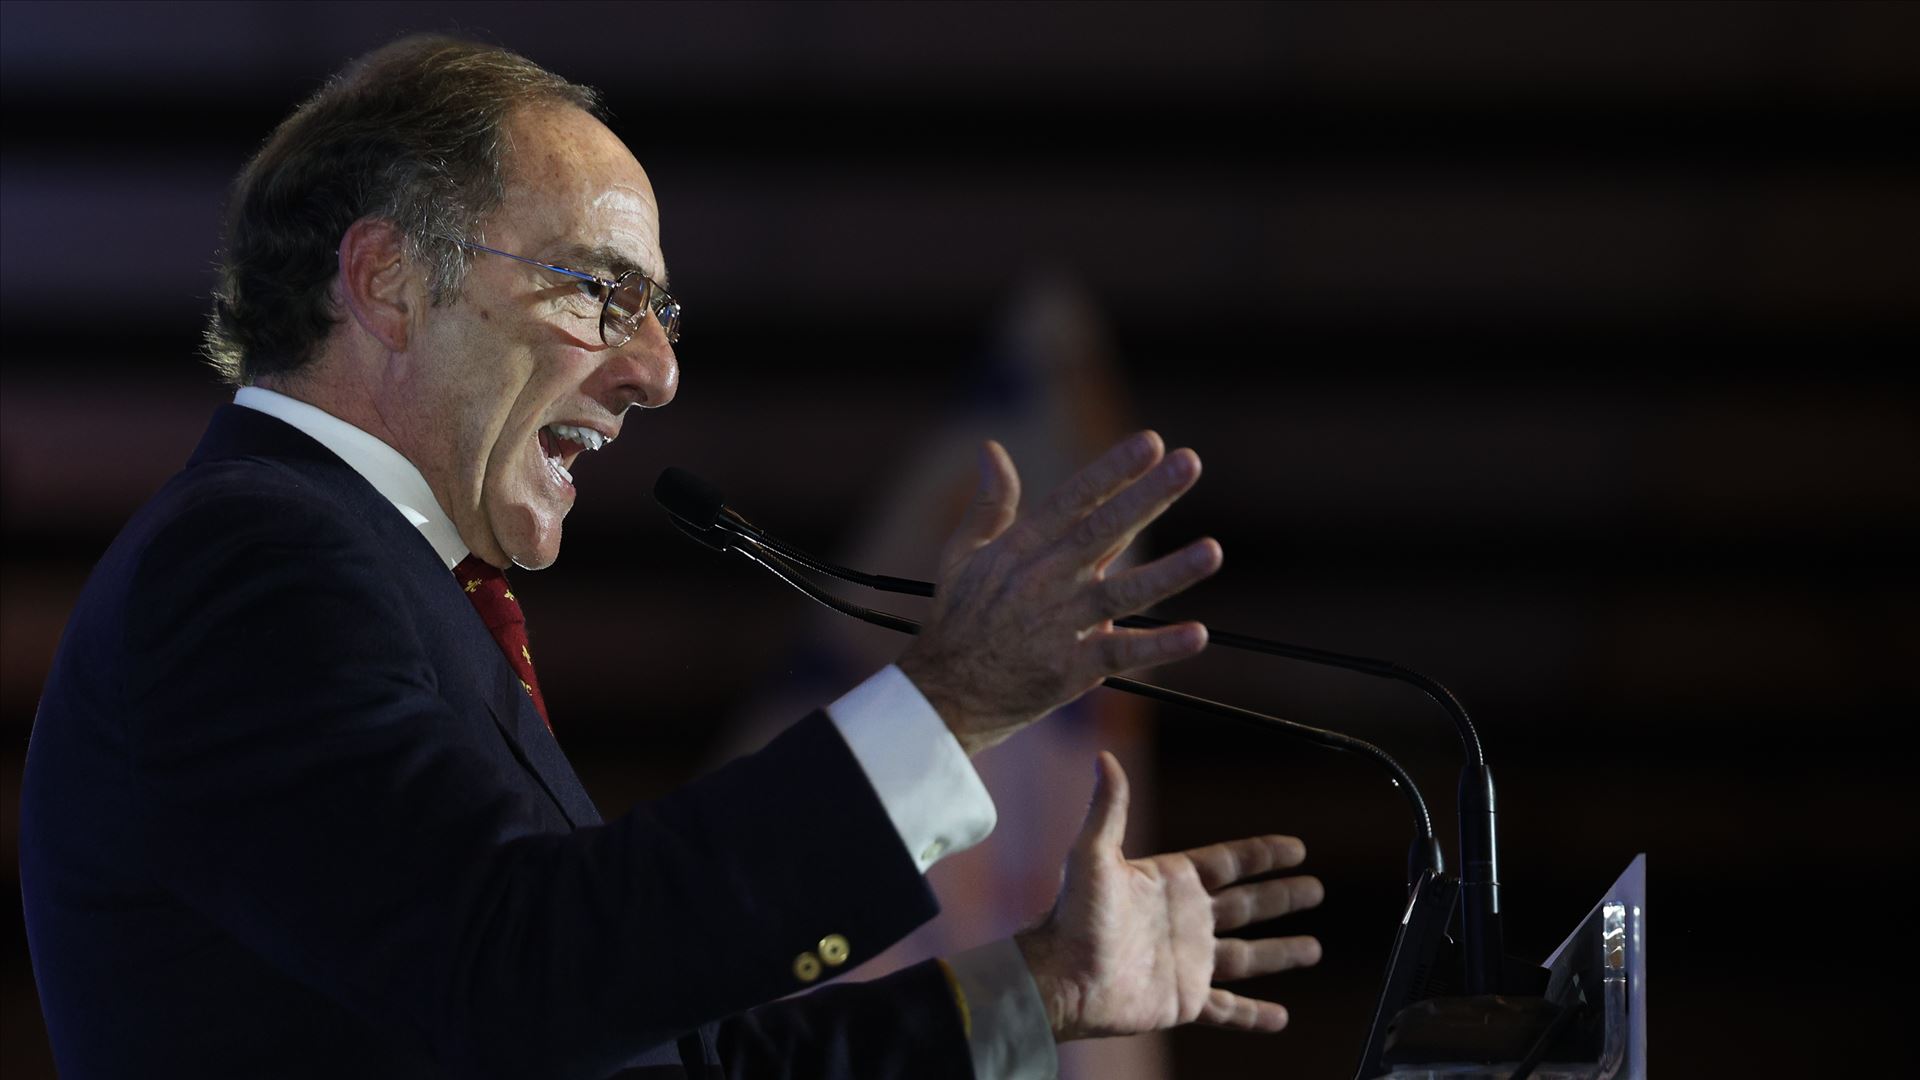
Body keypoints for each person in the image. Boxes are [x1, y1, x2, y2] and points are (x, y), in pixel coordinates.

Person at [19, 36, 1325, 1079]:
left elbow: (650, 1048)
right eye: (604, 292)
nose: (657, 372)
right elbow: (524, 977)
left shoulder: (375, 582)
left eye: (662, 312)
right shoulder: (255, 555)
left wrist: (1045, 989)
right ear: (390, 281)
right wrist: (956, 701)